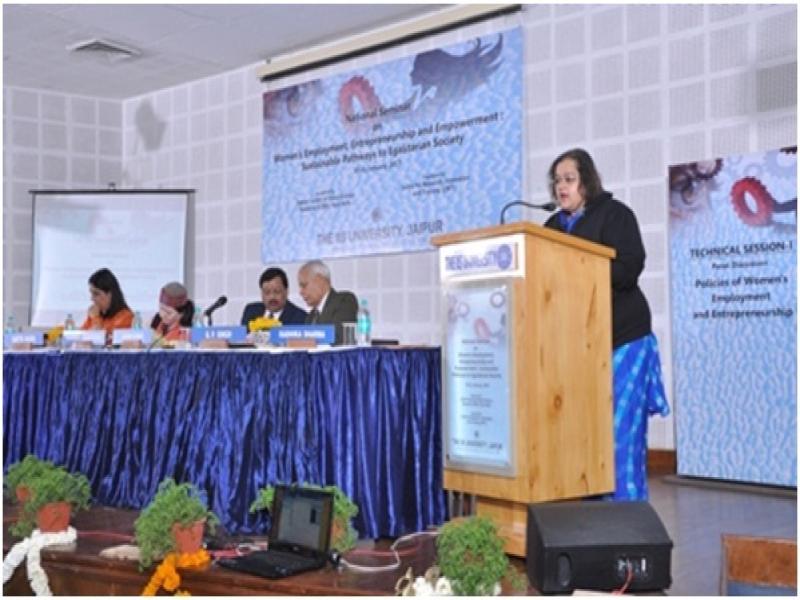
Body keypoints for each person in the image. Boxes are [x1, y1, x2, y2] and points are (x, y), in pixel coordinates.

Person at [543, 148, 669, 501]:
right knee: (586, 431)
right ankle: (592, 510)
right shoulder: (551, 228)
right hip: (579, 343)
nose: (561, 187)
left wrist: (577, 272)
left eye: (569, 179)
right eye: (557, 181)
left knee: (619, 430)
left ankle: (626, 513)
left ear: (587, 181)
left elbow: (629, 268)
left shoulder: (615, 215)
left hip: (623, 336)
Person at [297, 259, 358, 345]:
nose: (301, 292)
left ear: (320, 280)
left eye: (304, 285)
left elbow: (339, 337)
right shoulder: (310, 317)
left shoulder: (344, 301)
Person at [240, 267, 307, 327]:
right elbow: (240, 336)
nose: (272, 297)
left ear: (286, 291)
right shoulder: (250, 311)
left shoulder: (301, 318)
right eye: (267, 292)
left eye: (277, 291)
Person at [80, 268, 134, 336]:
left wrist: (96, 319)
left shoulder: (126, 316)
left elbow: (106, 339)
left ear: (110, 294)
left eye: (96, 294)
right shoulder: (95, 314)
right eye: (91, 293)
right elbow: (80, 337)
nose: (92, 298)